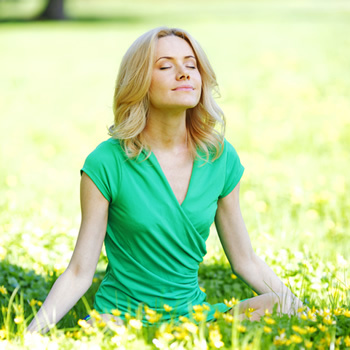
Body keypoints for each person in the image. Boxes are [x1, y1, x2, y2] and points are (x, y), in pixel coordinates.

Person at [28, 26, 303, 333]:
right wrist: (30, 335)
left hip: (193, 319)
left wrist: (299, 308)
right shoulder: (106, 162)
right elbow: (79, 272)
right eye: (165, 66)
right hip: (121, 320)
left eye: (191, 64)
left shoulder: (220, 158)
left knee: (280, 305)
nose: (184, 73)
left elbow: (245, 261)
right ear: (140, 82)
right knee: (103, 327)